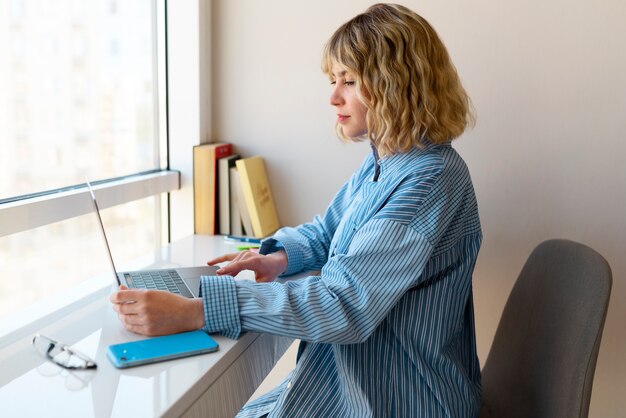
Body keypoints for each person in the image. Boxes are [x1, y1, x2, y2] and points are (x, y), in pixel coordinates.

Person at [111, 3, 482, 417]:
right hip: (342, 382)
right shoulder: (389, 162)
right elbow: (327, 232)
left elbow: (346, 304)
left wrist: (199, 310)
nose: (333, 97)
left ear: (396, 83)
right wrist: (276, 258)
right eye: (333, 80)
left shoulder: (427, 181)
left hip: (393, 400)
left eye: (349, 81)